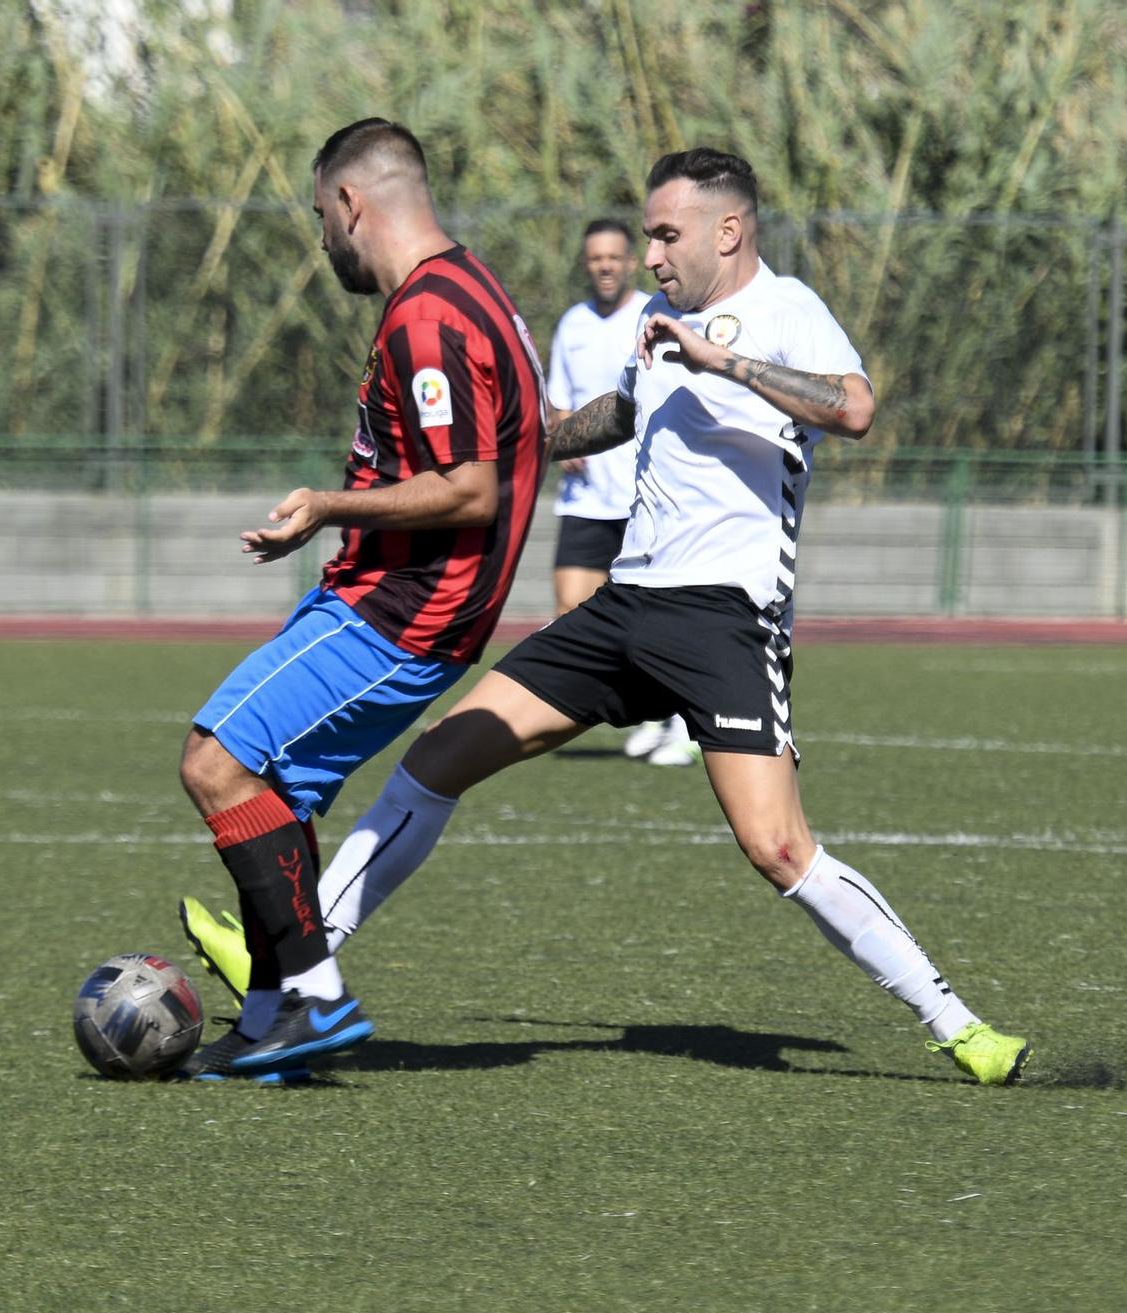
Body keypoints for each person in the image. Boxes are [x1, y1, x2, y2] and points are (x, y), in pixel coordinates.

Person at [220, 147, 1032, 1087]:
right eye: (648, 235)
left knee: (777, 848)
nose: (650, 256)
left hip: (724, 618)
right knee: (437, 761)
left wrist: (723, 358)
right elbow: (620, 413)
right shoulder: (657, 319)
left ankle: (956, 1022)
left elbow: (853, 410)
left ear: (729, 231)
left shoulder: (788, 309)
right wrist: (524, 435)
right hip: (623, 606)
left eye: (665, 234)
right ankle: (299, 969)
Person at [172, 118, 547, 1080]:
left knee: (214, 763)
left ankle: (319, 997)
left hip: (401, 608)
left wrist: (326, 504)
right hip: (405, 604)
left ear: (350, 204)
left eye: (319, 219)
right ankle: (266, 1023)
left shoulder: (429, 315)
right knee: (277, 793)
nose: (323, 241)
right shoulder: (481, 293)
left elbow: (470, 485)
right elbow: (519, 440)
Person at [545, 220, 692, 767]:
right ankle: (649, 711)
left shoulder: (652, 315)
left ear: (630, 261)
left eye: (613, 257)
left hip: (641, 499)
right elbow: (556, 405)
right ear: (586, 265)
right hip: (585, 497)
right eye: (594, 258)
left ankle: (678, 724)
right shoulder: (572, 325)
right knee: (570, 614)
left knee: (654, 616)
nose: (604, 266)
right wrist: (565, 435)